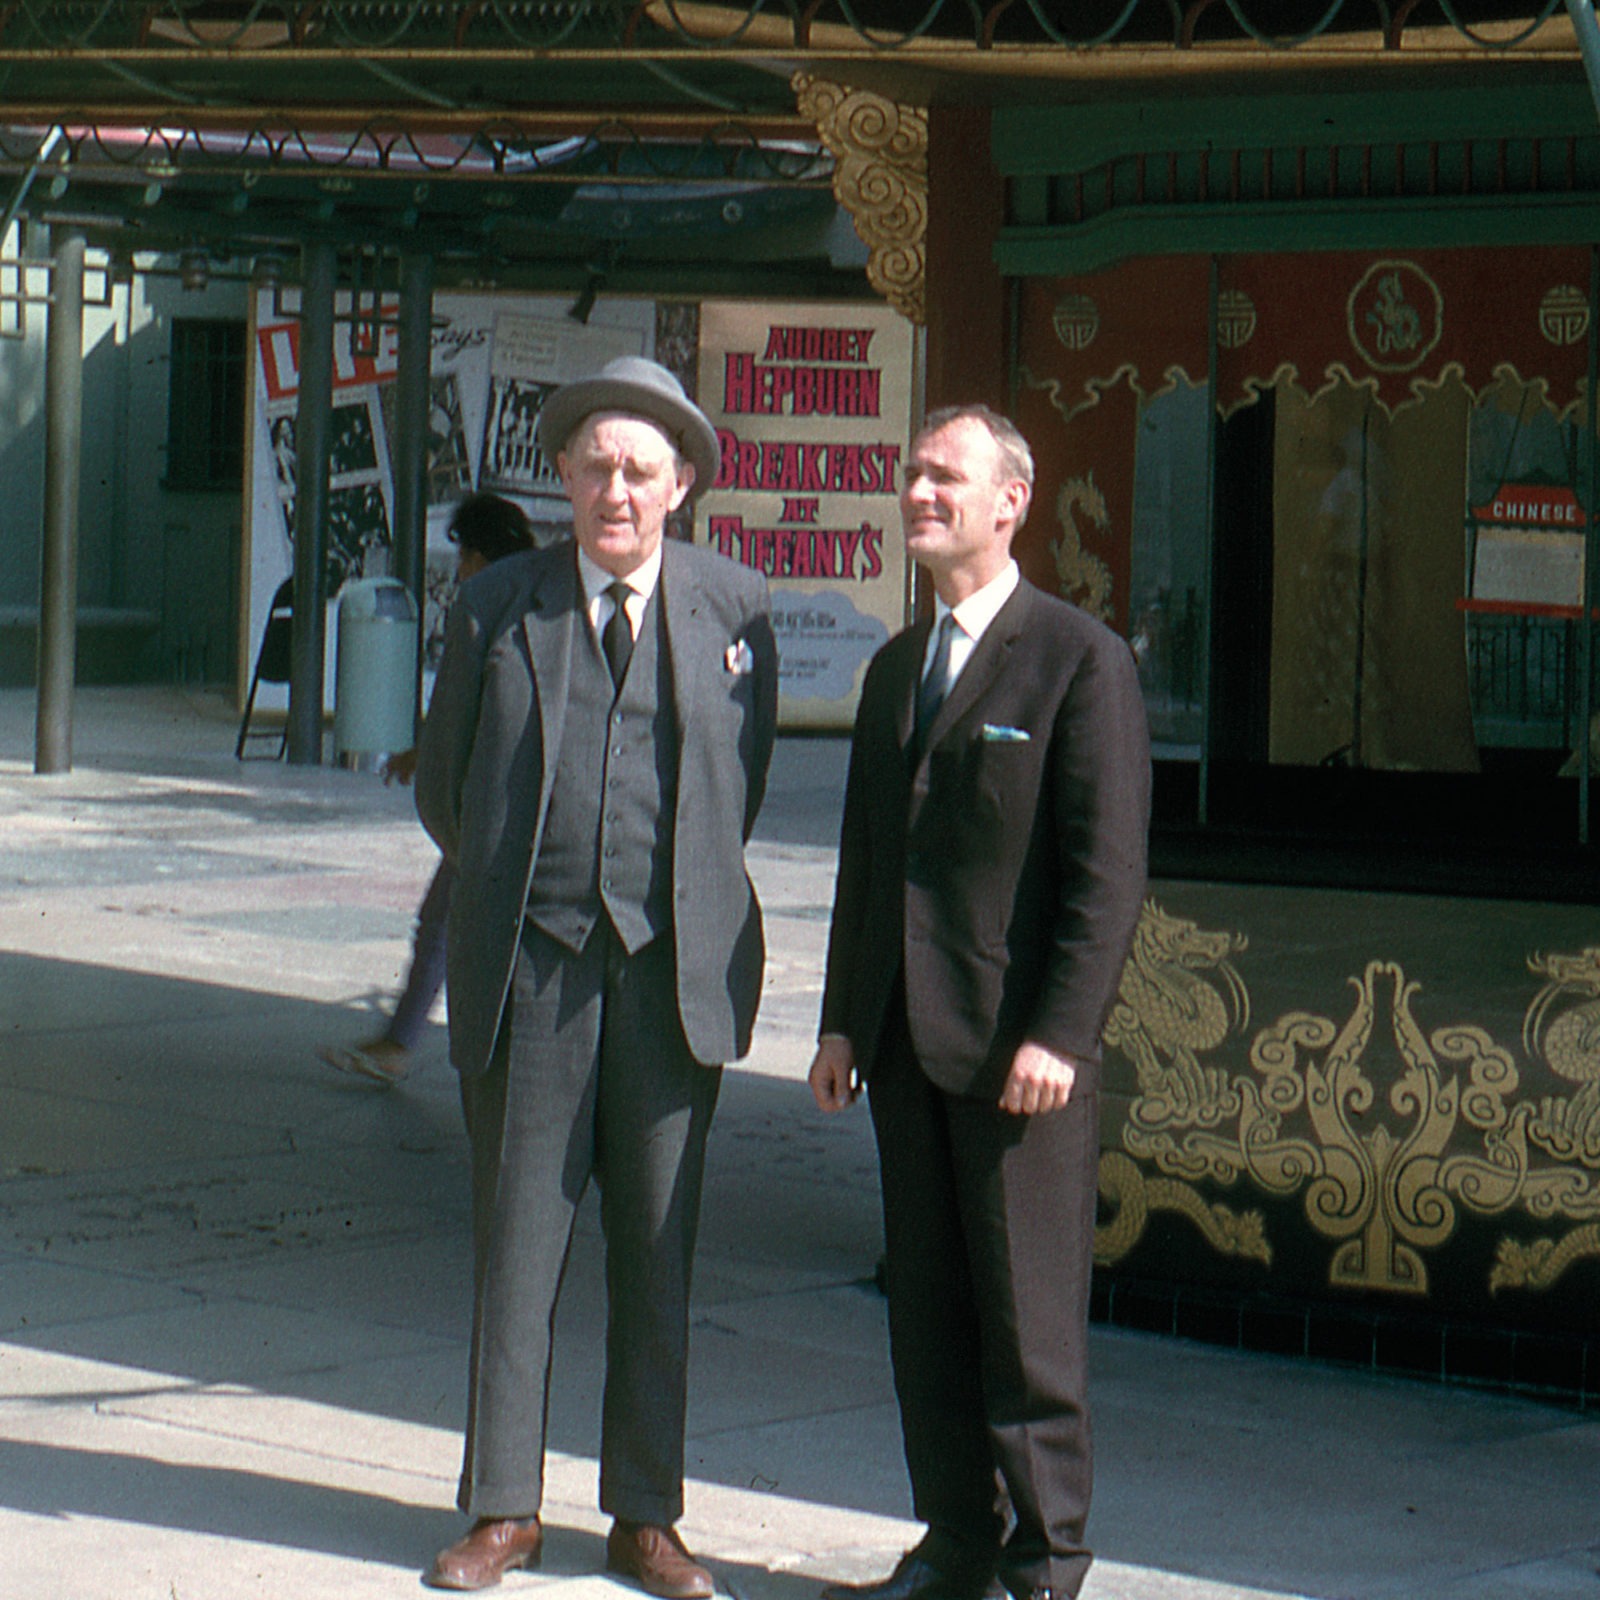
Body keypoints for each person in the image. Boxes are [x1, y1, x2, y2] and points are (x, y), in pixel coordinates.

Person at [415, 356, 778, 1594]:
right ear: (565, 478)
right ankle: (502, 1508)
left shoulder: (737, 610)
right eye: (595, 468)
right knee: (517, 1249)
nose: (615, 491)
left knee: (657, 1252)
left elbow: (739, 786)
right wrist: (527, 891)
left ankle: (646, 1516)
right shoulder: (496, 605)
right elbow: (445, 785)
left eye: (639, 470)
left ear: (680, 485)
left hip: (674, 978)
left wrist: (671, 899)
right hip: (534, 971)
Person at [808, 405, 1150, 1600]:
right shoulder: (893, 668)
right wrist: (841, 1020)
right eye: (912, 473)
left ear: (1011, 500)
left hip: (1020, 1060)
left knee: (1026, 1327)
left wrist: (1062, 1032)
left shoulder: (1076, 660)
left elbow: (1105, 877)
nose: (919, 492)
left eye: (945, 476)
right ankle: (955, 1538)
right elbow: (867, 859)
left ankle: (1046, 1562)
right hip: (904, 1044)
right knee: (928, 1315)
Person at [320, 492, 535, 1086]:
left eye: (465, 554)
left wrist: (429, 756)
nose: (460, 567)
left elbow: (474, 707)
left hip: (495, 808)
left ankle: (407, 1043)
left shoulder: (492, 607)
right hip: (499, 804)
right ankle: (402, 1041)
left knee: (449, 927)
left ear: (483, 554)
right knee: (444, 925)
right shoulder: (532, 599)